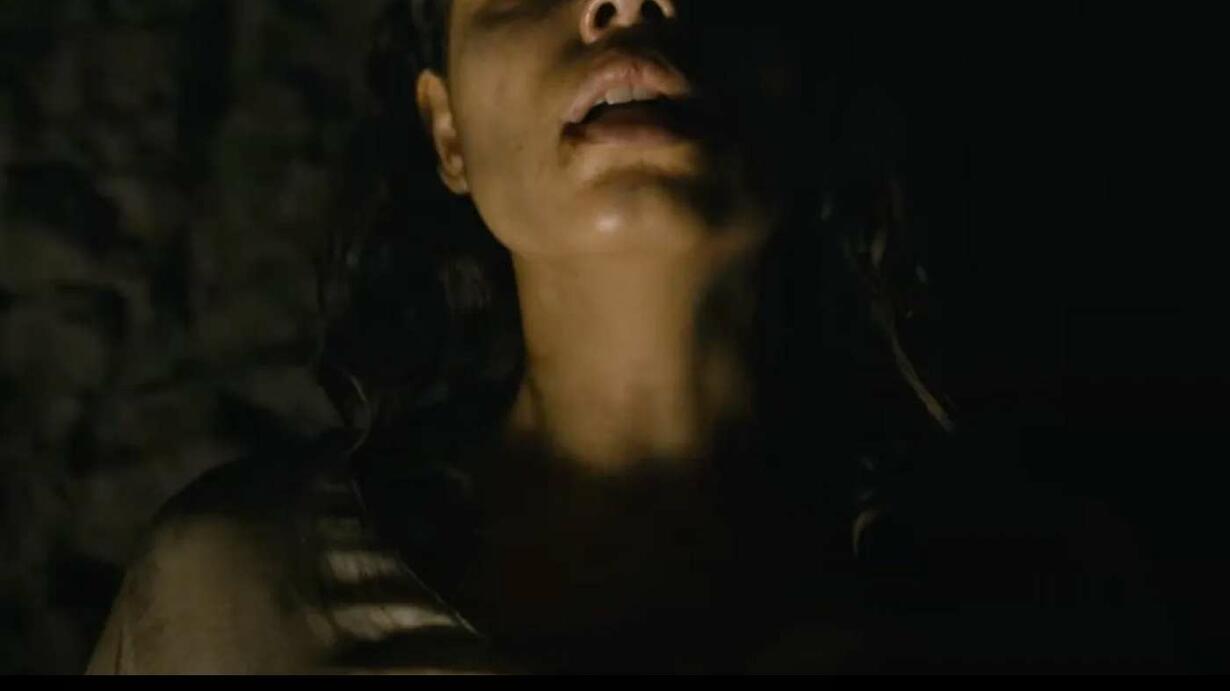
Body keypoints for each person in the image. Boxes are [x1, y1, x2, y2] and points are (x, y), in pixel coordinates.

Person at [86, 0, 1172, 673]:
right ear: (447, 129)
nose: (628, 0)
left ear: (814, 86)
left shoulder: (1037, 603)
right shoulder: (229, 604)